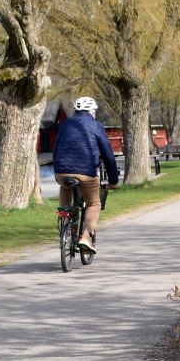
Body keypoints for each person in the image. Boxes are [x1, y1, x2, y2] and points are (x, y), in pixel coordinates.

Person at [53, 97, 119, 253]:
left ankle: (64, 224)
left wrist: (58, 172)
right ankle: (86, 236)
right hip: (86, 173)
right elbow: (108, 155)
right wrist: (113, 181)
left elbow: (56, 149)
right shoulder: (97, 126)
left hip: (61, 170)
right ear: (92, 112)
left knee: (65, 188)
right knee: (93, 204)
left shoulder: (65, 124)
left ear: (75, 111)